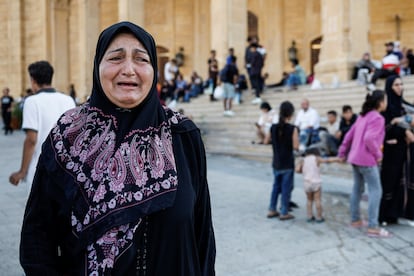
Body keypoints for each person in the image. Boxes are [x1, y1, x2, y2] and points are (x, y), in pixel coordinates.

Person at [19, 21, 216, 275]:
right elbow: (37, 238)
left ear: (153, 69)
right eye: (116, 58)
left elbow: (202, 236)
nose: (129, 70)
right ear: (97, 67)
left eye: (141, 59)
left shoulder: (183, 135)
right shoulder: (67, 138)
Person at [9, 61, 75, 192]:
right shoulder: (68, 100)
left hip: (41, 171)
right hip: (66, 171)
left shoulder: (32, 101)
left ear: (33, 80)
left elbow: (31, 140)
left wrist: (22, 171)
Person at [338, 90, 391, 238]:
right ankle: (373, 227)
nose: (386, 103)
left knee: (357, 189)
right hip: (367, 160)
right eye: (385, 100)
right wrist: (378, 155)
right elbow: (369, 139)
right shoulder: (378, 118)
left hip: (355, 158)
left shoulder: (362, 116)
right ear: (380, 103)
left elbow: (349, 135)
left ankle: (355, 220)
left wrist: (342, 152)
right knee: (376, 191)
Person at [379, 75, 414, 226]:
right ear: (389, 88)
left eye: (401, 84)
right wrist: (404, 132)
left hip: (407, 151)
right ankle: (387, 215)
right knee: (391, 182)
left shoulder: (405, 106)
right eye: (396, 85)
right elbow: (385, 129)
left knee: (406, 181)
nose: (400, 87)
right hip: (392, 152)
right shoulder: (386, 109)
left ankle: (404, 212)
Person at [267, 101, 299, 220]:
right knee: (286, 188)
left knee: (276, 186)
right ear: (290, 114)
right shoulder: (293, 129)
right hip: (287, 163)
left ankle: (272, 209)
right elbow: (296, 146)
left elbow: (266, 140)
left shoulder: (273, 127)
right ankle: (284, 211)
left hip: (276, 162)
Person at [298, 147, 337, 223]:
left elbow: (297, 170)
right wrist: (338, 159)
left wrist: (304, 171)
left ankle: (309, 217)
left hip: (307, 183)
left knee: (309, 200)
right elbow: (327, 160)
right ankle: (319, 217)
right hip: (316, 183)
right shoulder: (317, 158)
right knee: (317, 200)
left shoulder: (303, 160)